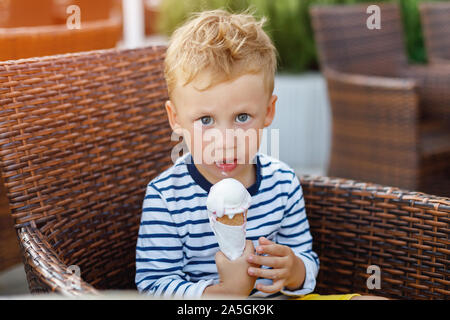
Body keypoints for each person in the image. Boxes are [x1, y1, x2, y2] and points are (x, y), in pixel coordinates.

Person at [135, 8, 386, 300]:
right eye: (206, 120)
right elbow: (152, 287)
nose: (226, 141)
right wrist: (224, 292)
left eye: (242, 117)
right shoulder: (166, 197)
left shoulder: (282, 182)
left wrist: (294, 269)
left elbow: (306, 261)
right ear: (175, 118)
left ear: (268, 112)